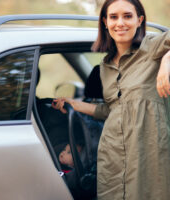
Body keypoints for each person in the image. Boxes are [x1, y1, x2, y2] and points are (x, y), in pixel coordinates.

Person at [52, 0, 170, 199]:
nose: (120, 23)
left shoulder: (153, 48)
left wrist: (167, 59)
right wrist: (74, 104)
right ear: (105, 22)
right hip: (112, 155)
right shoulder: (105, 67)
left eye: (128, 16)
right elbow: (112, 110)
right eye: (113, 17)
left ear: (139, 20)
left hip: (147, 154)